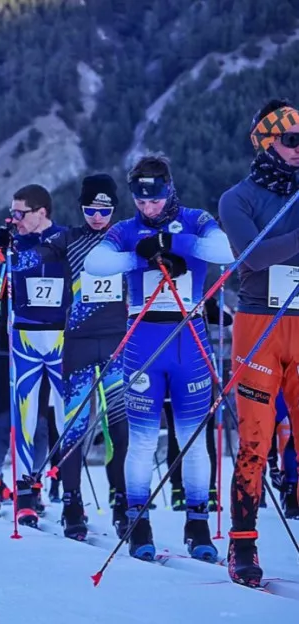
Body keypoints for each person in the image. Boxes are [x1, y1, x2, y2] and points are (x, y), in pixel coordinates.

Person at [86, 155, 234, 562]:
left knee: (192, 440)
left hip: (189, 336)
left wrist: (173, 244)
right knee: (143, 440)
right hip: (143, 339)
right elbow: (94, 263)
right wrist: (140, 254)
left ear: (169, 190)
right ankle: (138, 523)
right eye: (140, 201)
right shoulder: (127, 229)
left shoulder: (195, 218)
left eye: (155, 200)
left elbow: (226, 251)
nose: (148, 208)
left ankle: (198, 524)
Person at [10, 174, 131, 540]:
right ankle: (72, 502)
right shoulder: (69, 238)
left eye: (104, 209)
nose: (97, 216)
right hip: (76, 343)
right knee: (74, 427)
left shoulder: (124, 236)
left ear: (113, 208)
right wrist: (7, 254)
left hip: (115, 345)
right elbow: (30, 259)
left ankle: (121, 501)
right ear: (81, 207)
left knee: (117, 426)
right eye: (91, 209)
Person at [218, 99, 299, 586]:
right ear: (267, 143)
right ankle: (242, 544)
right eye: (292, 141)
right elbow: (253, 257)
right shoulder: (238, 198)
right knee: (254, 440)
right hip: (259, 324)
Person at [0, 184, 70, 525]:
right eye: (12, 213)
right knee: (25, 415)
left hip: (61, 338)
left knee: (63, 415)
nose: (13, 219)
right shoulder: (14, 245)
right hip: (23, 339)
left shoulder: (64, 238)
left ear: (41, 212)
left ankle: (69, 489)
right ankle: (24, 490)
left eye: (20, 213)